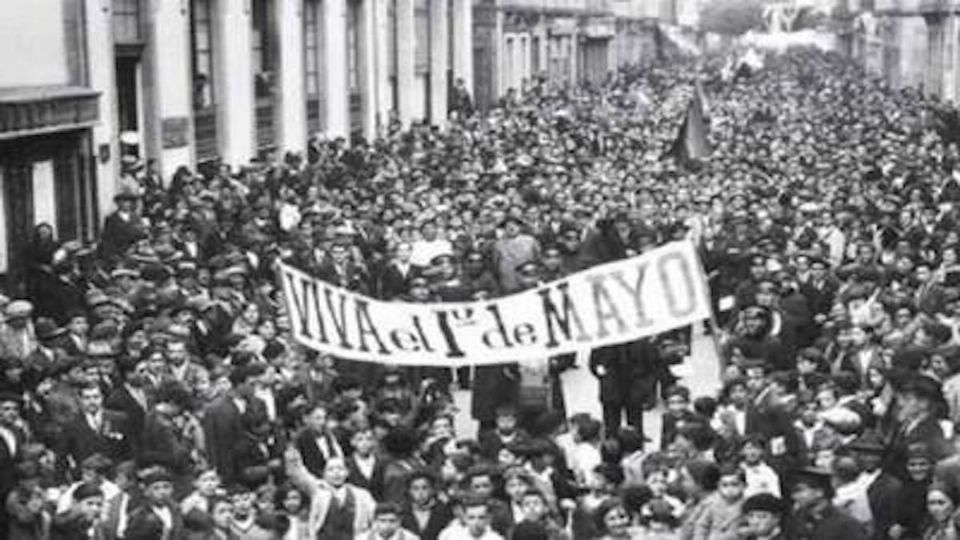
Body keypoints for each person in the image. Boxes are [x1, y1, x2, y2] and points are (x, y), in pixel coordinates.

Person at [790, 467, 868, 540]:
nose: (794, 496)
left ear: (819, 492)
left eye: (800, 490)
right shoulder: (798, 519)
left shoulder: (847, 525)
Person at [357, 502, 421, 540]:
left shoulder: (411, 538)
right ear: (375, 521)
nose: (387, 525)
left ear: (399, 522)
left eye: (392, 521)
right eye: (382, 520)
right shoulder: (362, 539)